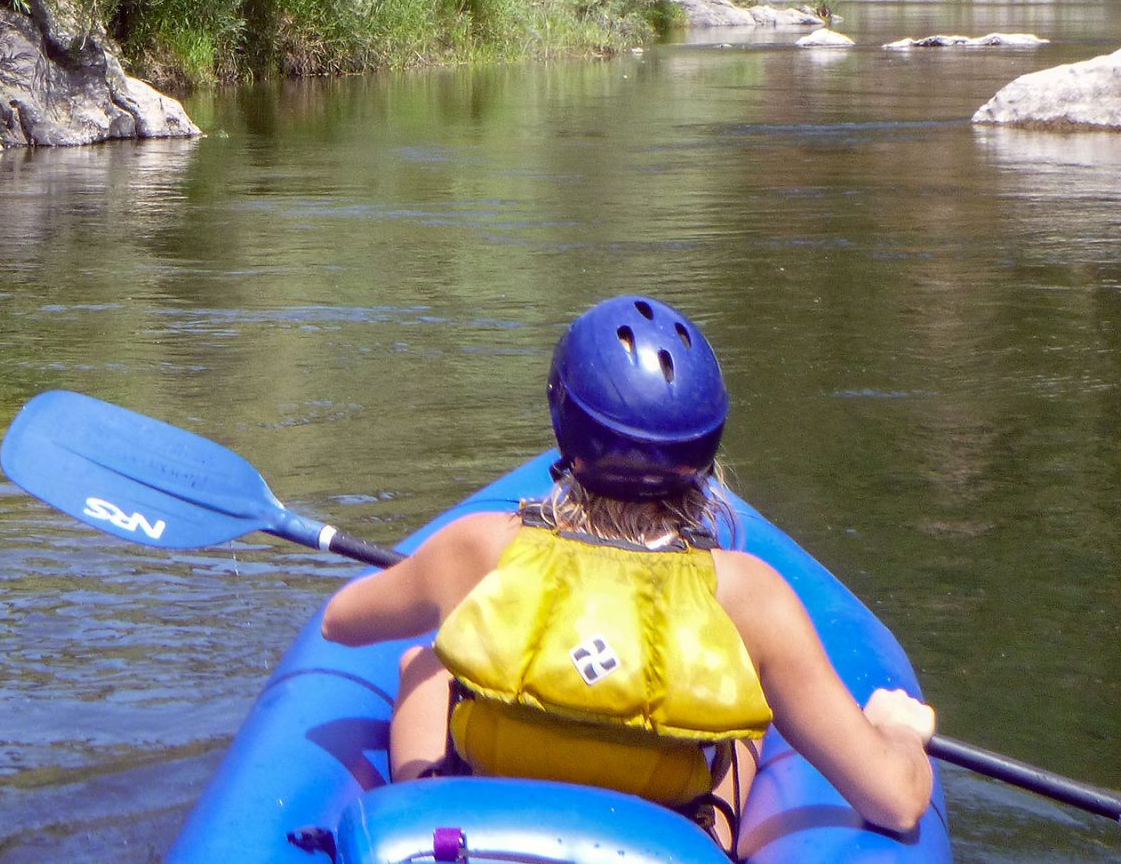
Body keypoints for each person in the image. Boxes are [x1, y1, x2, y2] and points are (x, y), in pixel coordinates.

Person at [320, 295, 937, 856]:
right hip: (655, 841)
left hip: (473, 834)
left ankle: (427, 794)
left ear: (566, 424)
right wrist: (897, 735)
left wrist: (435, 591)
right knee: (750, 723)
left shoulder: (481, 547)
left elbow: (340, 623)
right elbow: (896, 800)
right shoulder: (750, 598)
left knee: (425, 664)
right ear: (705, 447)